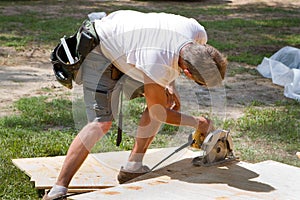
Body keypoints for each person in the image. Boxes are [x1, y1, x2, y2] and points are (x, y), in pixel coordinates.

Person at [43, 10, 227, 200]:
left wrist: (169, 84)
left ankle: (133, 167)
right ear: (187, 73)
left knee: (164, 99)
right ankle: (58, 189)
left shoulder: (197, 32)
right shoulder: (156, 61)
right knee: (100, 123)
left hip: (130, 47)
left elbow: (170, 53)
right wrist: (200, 123)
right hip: (99, 51)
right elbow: (158, 113)